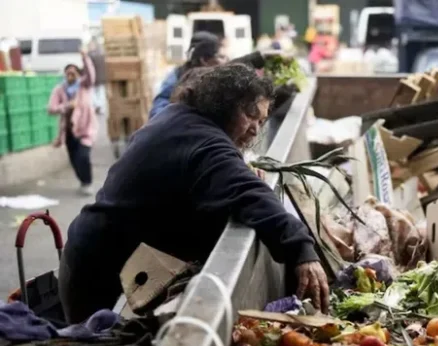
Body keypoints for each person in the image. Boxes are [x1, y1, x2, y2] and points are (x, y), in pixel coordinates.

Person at [58, 63, 329, 323]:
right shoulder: (204, 142)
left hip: (94, 255)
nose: (255, 129)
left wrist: (238, 167)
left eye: (261, 120)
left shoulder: (181, 118)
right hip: (98, 274)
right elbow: (249, 194)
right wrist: (301, 249)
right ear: (223, 105)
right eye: (250, 115)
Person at [48, 49, 97, 196]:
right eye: (68, 73)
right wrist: (67, 105)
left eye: (73, 73)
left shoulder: (84, 86)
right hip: (69, 131)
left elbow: (91, 75)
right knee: (74, 160)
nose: (70, 76)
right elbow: (51, 108)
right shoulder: (59, 90)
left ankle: (87, 182)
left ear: (78, 75)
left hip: (86, 129)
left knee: (83, 156)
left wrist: (85, 58)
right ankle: (82, 181)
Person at [148, 32, 227, 119]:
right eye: (221, 57)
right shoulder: (176, 77)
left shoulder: (219, 79)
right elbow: (158, 111)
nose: (225, 61)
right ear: (204, 60)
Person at [87, 39, 107, 115]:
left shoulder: (90, 56)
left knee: (94, 93)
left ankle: (98, 106)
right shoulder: (102, 55)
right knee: (100, 93)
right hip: (101, 77)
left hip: (95, 77)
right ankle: (100, 107)